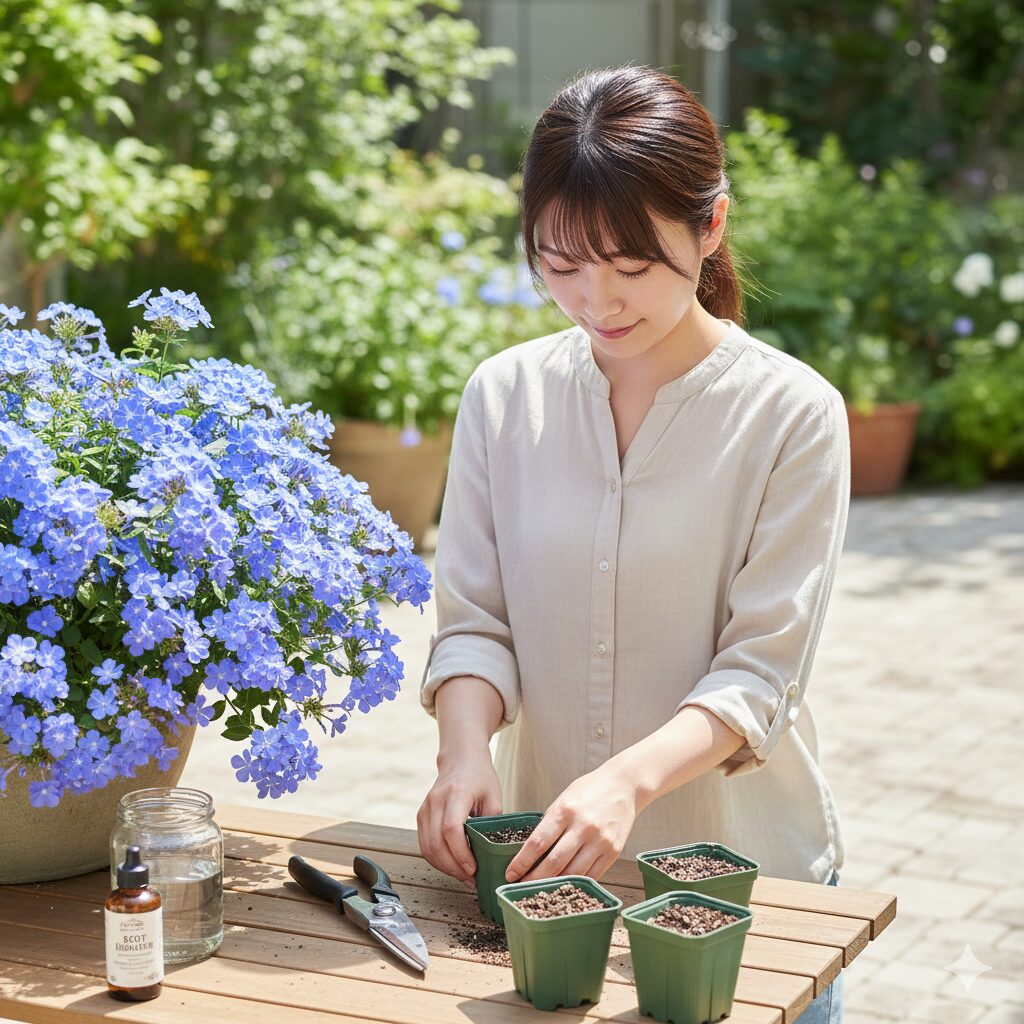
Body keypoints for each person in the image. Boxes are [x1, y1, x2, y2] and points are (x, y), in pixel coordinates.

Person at [416, 65, 848, 1022]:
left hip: (744, 901)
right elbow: (477, 622)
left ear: (712, 228)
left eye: (633, 266)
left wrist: (622, 783)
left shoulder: (792, 415)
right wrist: (462, 752)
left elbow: (759, 674)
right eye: (560, 266)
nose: (596, 302)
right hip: (544, 897)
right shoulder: (503, 395)